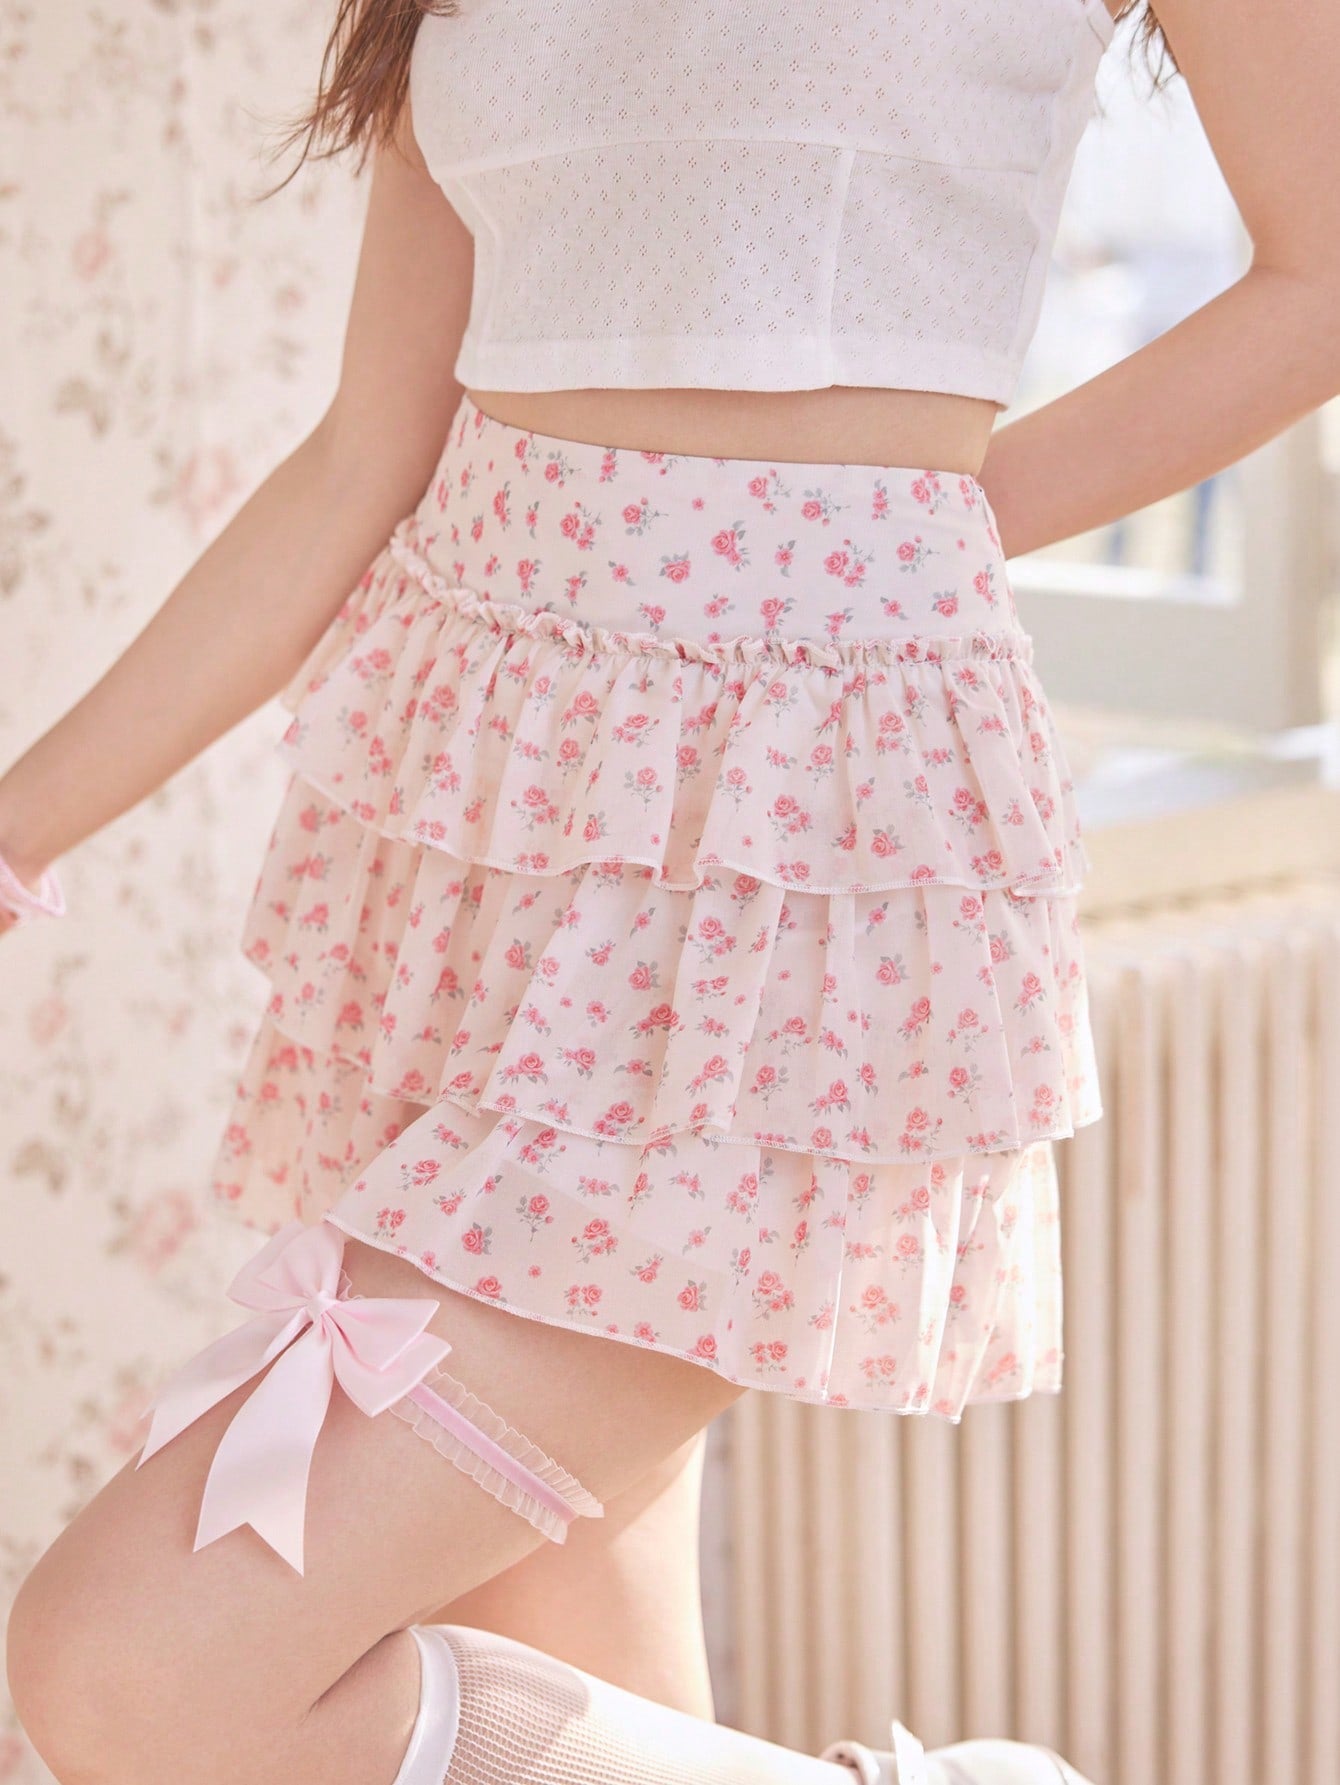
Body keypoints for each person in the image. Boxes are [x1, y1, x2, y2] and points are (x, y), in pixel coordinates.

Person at [4, 2, 1338, 1781]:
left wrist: (906, 520)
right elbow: (360, 458)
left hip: (794, 857)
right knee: (566, 1657)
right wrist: (15, 832)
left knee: (131, 1664)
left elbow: (1321, 274)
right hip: (481, 839)